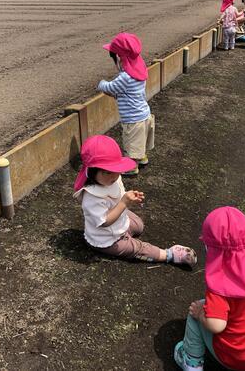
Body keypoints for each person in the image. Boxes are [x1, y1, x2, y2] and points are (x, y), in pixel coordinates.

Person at [174, 206, 245, 371]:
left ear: (209, 248)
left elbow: (216, 326)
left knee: (196, 311)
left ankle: (190, 362)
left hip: (235, 358)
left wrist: (200, 314)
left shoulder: (218, 285)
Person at [73, 134, 197, 267]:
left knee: (139, 225)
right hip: (106, 240)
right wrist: (123, 203)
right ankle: (169, 254)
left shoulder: (112, 179)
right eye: (107, 172)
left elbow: (119, 195)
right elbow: (104, 222)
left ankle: (126, 233)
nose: (115, 176)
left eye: (116, 170)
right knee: (136, 248)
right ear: (92, 172)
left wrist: (129, 196)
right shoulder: (92, 196)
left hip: (120, 222)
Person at [98, 32, 154, 176]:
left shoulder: (125, 77)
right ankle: (141, 157)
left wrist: (101, 83)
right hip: (144, 114)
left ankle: (131, 167)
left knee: (131, 142)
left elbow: (109, 88)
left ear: (119, 58)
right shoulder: (139, 71)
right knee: (139, 141)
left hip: (133, 119)